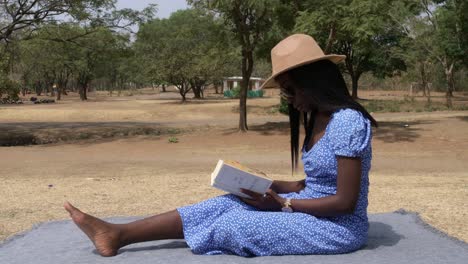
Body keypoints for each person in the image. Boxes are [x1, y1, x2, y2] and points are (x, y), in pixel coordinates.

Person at [64, 34, 378, 257]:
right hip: (308, 208)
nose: (291, 101)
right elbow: (309, 183)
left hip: (336, 228)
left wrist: (284, 204)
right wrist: (264, 185)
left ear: (313, 82)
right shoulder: (319, 119)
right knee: (226, 203)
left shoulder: (347, 122)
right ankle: (119, 234)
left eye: (291, 91)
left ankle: (120, 235)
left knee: (233, 224)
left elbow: (344, 202)